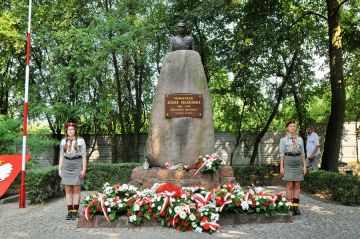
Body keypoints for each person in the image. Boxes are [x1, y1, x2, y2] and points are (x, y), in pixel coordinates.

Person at [58, 122, 87, 220]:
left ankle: (75, 211)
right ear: (66, 131)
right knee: (68, 189)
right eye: (68, 129)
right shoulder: (63, 141)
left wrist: (84, 169)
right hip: (66, 164)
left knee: (76, 189)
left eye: (72, 129)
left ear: (75, 131)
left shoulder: (81, 140)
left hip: (77, 164)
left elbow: (84, 156)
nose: (70, 131)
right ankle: (69, 211)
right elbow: (61, 155)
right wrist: (60, 168)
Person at [279, 119, 307, 215]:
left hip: (298, 163)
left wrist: (304, 166)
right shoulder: (283, 140)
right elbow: (282, 154)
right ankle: (289, 206)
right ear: (287, 128)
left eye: (294, 126)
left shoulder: (300, 139)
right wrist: (281, 167)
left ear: (296, 128)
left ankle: (296, 207)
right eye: (290, 126)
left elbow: (303, 153)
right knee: (290, 185)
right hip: (288, 163)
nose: (292, 128)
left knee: (297, 185)